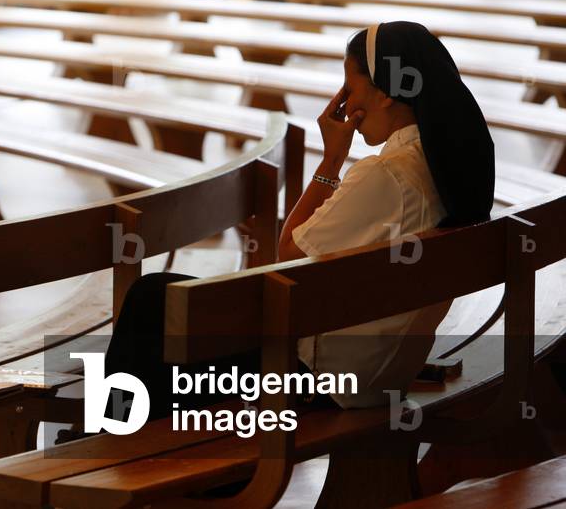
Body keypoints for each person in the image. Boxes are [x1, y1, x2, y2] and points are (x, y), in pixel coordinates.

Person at [102, 21, 496, 420]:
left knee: (152, 302)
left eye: (350, 89)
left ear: (385, 94)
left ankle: (112, 438)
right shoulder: (444, 166)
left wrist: (331, 161)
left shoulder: (387, 175)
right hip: (380, 373)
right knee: (163, 311)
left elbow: (290, 254)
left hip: (320, 379)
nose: (345, 105)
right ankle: (123, 439)